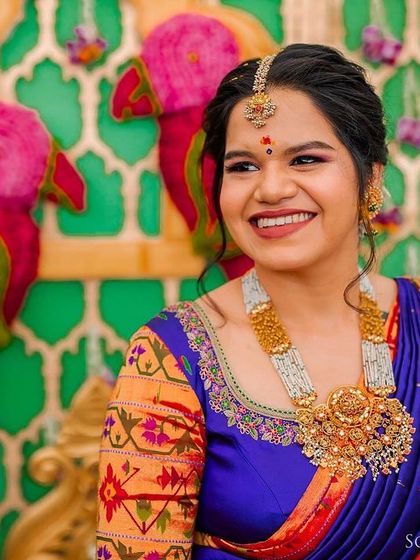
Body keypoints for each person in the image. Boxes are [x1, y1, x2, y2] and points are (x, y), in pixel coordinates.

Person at [96, 44, 419, 560]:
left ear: (371, 177)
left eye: (306, 159)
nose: (270, 189)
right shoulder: (169, 358)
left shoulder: (417, 318)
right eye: (243, 165)